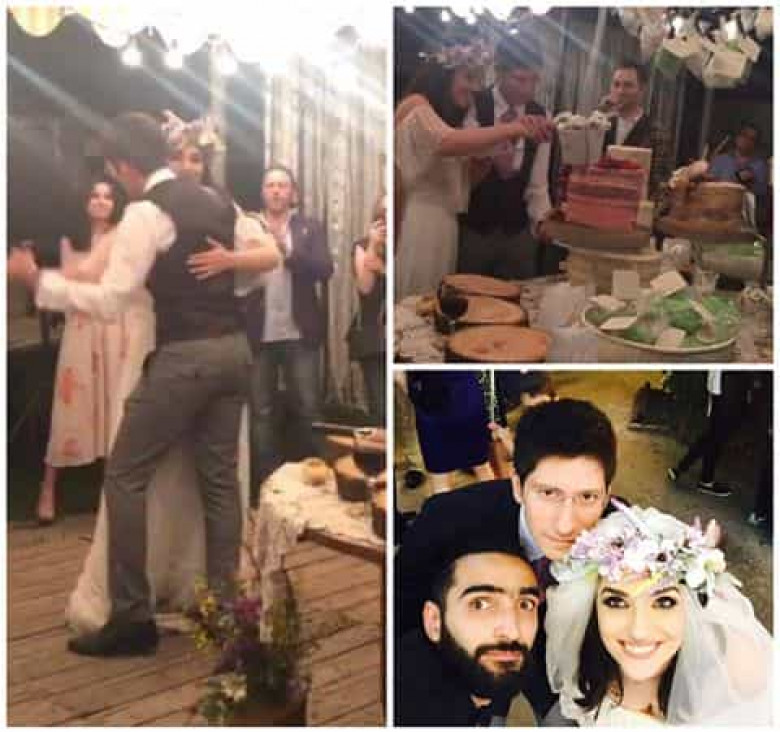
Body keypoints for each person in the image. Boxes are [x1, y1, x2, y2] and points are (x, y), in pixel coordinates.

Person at [8, 112, 274, 657]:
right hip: (234, 352)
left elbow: (111, 298)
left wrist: (39, 281)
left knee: (125, 475)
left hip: (183, 357)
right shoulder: (220, 201)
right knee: (220, 484)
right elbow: (258, 269)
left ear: (124, 166)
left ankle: (131, 616)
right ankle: (224, 608)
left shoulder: (146, 212)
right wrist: (223, 267)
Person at [544, 503, 772, 725]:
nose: (639, 631)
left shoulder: (738, 680)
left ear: (692, 605)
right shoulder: (586, 668)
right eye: (616, 602)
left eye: (664, 602)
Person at [395, 50, 554, 299]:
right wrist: (514, 128)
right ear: (445, 74)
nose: (474, 87)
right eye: (468, 77)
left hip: (449, 226)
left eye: (477, 79)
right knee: (417, 299)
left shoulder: (448, 115)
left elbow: (463, 183)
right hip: (423, 223)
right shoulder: (416, 103)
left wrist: (484, 163)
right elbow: (445, 141)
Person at [36, 177, 126, 524]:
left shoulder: (123, 238)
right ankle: (48, 488)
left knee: (113, 404)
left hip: (114, 327)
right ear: (85, 201)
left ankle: (110, 493)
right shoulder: (70, 240)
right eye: (95, 195)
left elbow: (112, 282)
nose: (101, 201)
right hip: (80, 327)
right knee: (71, 406)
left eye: (108, 196)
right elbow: (71, 281)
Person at [242, 165, 334, 500]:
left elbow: (325, 269)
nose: (277, 191)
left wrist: (288, 251)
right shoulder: (248, 227)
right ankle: (267, 490)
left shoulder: (310, 227)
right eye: (271, 185)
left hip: (300, 333)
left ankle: (322, 487)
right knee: (261, 413)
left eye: (283, 185)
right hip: (258, 335)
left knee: (309, 409)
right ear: (262, 191)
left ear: (293, 192)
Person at [396, 537, 542, 726]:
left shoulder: (478, 665)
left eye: (525, 604)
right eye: (480, 604)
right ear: (434, 621)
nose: (513, 631)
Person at [459, 35, 553, 280]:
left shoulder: (541, 116)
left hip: (518, 233)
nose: (528, 89)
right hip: (474, 229)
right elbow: (461, 170)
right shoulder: (475, 104)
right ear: (499, 72)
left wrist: (542, 220)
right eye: (520, 79)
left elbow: (538, 183)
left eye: (534, 80)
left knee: (521, 296)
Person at [407, 371, 495, 494]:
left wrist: (414, 395)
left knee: (440, 477)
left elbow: (399, 377)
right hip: (466, 393)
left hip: (430, 398)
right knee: (482, 467)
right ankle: (496, 504)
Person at [667, 371, 750, 498]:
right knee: (717, 436)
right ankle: (702, 478)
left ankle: (684, 469)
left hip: (723, 384)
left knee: (714, 434)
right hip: (728, 384)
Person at [601, 60, 672, 198]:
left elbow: (660, 183)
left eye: (628, 85)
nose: (620, 91)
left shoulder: (656, 132)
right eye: (616, 84)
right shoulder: (601, 126)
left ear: (642, 90)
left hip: (636, 204)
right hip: (599, 202)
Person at [347, 193, 386, 425]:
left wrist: (385, 270)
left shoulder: (404, 243)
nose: (387, 219)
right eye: (383, 214)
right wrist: (373, 245)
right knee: (380, 408)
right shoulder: (362, 246)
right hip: (373, 336)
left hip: (403, 332)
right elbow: (364, 287)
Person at [709, 122, 769, 198]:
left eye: (752, 139)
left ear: (755, 144)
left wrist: (751, 183)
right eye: (744, 135)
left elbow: (762, 192)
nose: (747, 140)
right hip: (719, 201)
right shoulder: (720, 160)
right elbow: (709, 184)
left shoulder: (760, 165)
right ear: (737, 137)